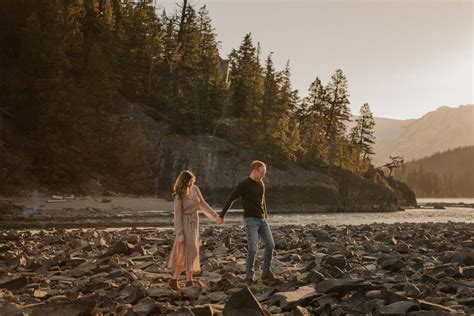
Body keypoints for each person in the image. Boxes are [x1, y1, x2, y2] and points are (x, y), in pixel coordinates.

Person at [219, 160, 282, 284]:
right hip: (250, 220)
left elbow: (262, 200)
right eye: (262, 173)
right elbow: (231, 198)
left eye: (264, 173)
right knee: (253, 249)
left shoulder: (261, 183)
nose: (263, 176)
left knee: (270, 244)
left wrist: (265, 214)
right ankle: (249, 276)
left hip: (262, 219)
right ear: (254, 170)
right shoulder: (244, 184)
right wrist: (222, 216)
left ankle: (266, 272)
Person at [168, 170, 223, 289]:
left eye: (193, 181)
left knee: (191, 250)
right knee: (189, 249)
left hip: (194, 222)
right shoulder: (179, 195)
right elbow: (177, 216)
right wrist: (179, 234)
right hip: (184, 222)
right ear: (185, 181)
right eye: (190, 181)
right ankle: (188, 280)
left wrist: (215, 216)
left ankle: (176, 279)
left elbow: (203, 204)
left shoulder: (195, 189)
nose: (192, 183)